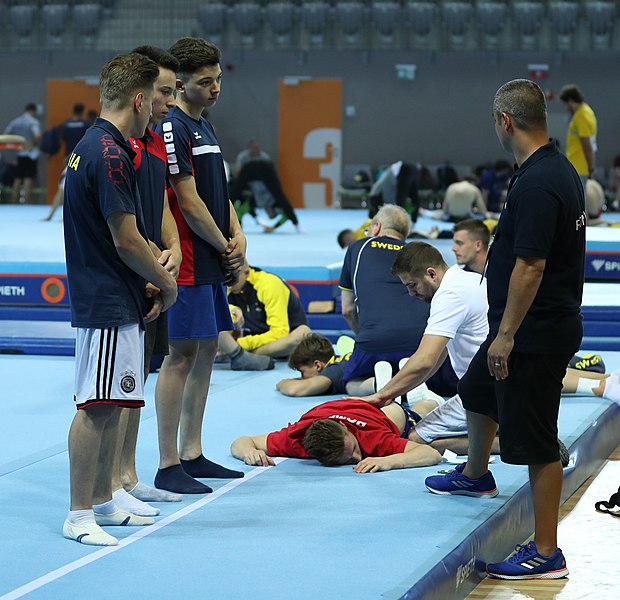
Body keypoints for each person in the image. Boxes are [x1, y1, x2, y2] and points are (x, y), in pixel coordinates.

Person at [425, 79, 585, 580]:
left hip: (534, 332)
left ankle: (546, 552)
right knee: (476, 388)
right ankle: (476, 474)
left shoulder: (538, 182)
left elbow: (531, 266)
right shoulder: (550, 169)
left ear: (505, 121)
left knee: (538, 440)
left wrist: (507, 334)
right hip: (529, 324)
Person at [61, 53, 178, 546]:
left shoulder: (97, 145)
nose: (159, 106)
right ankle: (78, 513)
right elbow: (126, 239)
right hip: (106, 298)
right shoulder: (108, 152)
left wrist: (149, 273)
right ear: (137, 98)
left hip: (117, 294)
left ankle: (105, 499)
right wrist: (168, 283)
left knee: (112, 403)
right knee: (95, 407)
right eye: (156, 97)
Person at [153, 37, 247, 495]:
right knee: (180, 356)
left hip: (213, 252)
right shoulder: (173, 127)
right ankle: (168, 462)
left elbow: (219, 192)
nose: (215, 89)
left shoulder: (204, 124)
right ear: (181, 84)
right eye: (205, 83)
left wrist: (239, 235)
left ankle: (192, 451)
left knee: (208, 350)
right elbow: (187, 201)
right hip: (189, 260)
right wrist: (224, 245)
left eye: (218, 80)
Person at [104, 44, 185, 517]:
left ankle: (129, 476)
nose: (169, 101)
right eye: (163, 92)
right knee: (119, 384)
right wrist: (153, 261)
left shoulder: (156, 139)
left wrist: (171, 247)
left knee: (139, 379)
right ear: (141, 92)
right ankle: (110, 480)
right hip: (137, 274)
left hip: (155, 269)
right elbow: (123, 219)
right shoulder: (123, 145)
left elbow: (160, 204)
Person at [361, 242, 490, 455]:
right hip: (497, 384)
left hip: (485, 391)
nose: (411, 294)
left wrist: (382, 396)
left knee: (415, 440)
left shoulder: (449, 295)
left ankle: (514, 441)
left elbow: (424, 360)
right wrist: (397, 390)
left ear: (431, 274)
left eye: (412, 285)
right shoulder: (468, 278)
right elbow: (439, 355)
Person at [340, 205, 458, 397]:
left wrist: (368, 334)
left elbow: (347, 309)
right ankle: (414, 382)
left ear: (376, 227)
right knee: (439, 380)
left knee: (351, 384)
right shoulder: (420, 254)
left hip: (375, 342)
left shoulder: (358, 248)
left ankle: (380, 383)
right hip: (423, 345)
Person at [230, 398, 442, 472]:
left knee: (418, 423)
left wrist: (389, 461)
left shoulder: (372, 439)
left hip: (386, 414)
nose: (359, 459)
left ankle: (428, 400)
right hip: (345, 409)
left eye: (355, 451)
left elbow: (431, 454)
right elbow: (242, 441)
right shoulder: (296, 439)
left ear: (348, 430)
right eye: (349, 460)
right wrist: (248, 452)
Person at [219, 262, 310, 365]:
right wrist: (233, 310)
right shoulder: (229, 286)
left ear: (246, 272)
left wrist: (240, 344)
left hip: (281, 341)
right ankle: (239, 353)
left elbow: (279, 332)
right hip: (256, 337)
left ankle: (239, 354)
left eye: (231, 279)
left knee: (302, 333)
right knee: (217, 320)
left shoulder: (269, 285)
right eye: (224, 279)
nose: (228, 284)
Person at [559, 84, 597, 192]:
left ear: (570, 101)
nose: (566, 108)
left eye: (566, 104)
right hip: (578, 167)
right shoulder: (587, 111)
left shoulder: (582, 116)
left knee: (577, 202)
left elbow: (587, 144)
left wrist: (591, 168)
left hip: (579, 168)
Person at [4, 103, 41, 204]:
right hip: (30, 154)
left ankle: (14, 202)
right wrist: (32, 144)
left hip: (20, 153)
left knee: (17, 178)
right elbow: (37, 136)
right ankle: (26, 203)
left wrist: (16, 145)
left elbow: (6, 135)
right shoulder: (33, 122)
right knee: (28, 179)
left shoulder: (15, 122)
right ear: (33, 111)